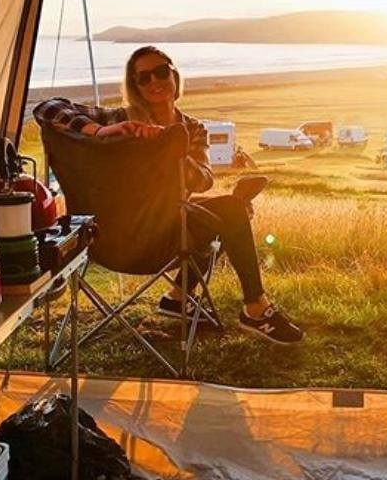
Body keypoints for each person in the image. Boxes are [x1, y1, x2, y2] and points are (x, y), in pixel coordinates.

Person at [33, 46, 304, 345]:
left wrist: (171, 153)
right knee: (231, 211)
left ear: (174, 75)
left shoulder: (192, 129)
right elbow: (47, 108)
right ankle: (255, 308)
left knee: (224, 210)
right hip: (120, 237)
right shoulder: (120, 120)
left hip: (159, 230)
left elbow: (203, 180)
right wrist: (99, 131)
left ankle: (177, 297)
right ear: (134, 86)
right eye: (143, 78)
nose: (154, 82)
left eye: (161, 72)